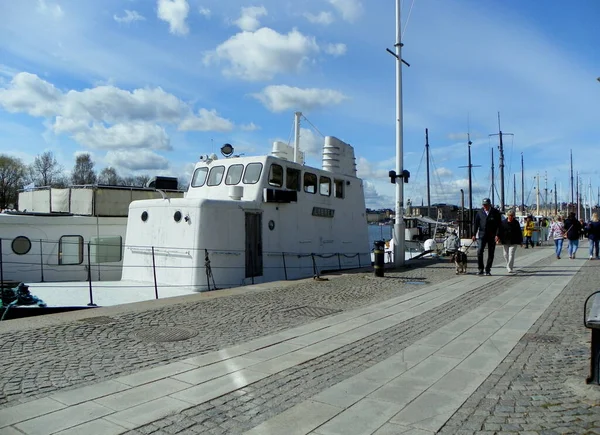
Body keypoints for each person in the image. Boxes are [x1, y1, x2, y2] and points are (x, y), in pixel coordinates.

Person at [472, 198, 502, 275]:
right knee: (479, 251)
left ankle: (488, 269)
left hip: (492, 235)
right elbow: (476, 224)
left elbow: (499, 225)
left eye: (486, 205)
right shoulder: (479, 212)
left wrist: (497, 235)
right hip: (482, 234)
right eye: (484, 205)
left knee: (491, 253)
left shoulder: (495, 212)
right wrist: (474, 234)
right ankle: (480, 269)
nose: (485, 206)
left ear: (490, 205)